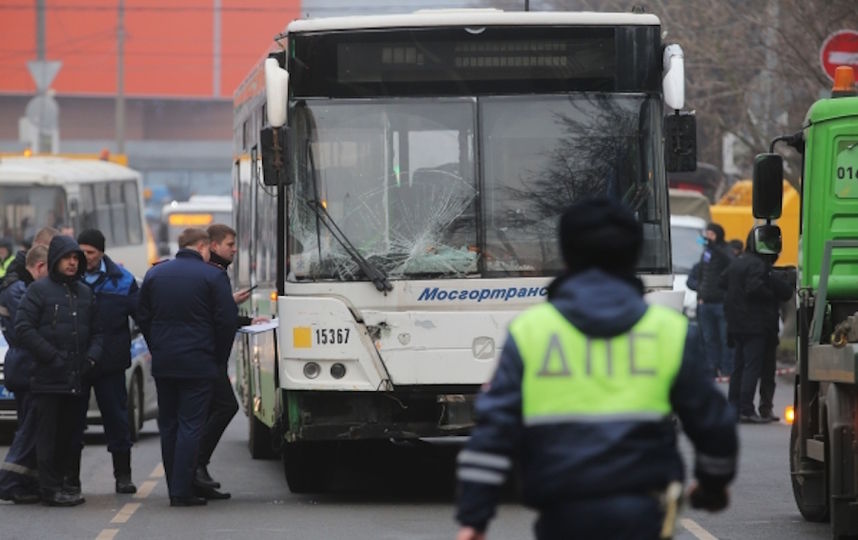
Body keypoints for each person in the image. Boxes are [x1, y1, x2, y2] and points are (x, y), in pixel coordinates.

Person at [455, 198, 738, 540]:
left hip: (563, 515)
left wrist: (474, 520)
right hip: (644, 515)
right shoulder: (669, 332)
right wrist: (711, 485)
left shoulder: (532, 332)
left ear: (566, 254)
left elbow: (492, 432)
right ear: (634, 256)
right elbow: (713, 423)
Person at [138, 228, 237, 507]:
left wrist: (156, 345)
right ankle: (183, 491)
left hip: (165, 362)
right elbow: (226, 321)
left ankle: (174, 487)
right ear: (204, 247)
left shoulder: (155, 274)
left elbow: (142, 314)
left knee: (168, 425)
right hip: (199, 362)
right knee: (190, 425)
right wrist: (218, 357)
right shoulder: (213, 276)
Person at [14, 235, 103, 506]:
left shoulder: (85, 293)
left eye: (76, 258)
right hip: (48, 379)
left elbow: (99, 333)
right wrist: (51, 356)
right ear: (55, 260)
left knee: (73, 436)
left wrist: (90, 359)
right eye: (68, 258)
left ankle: (70, 483)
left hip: (77, 378)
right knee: (48, 437)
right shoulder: (39, 291)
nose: (73, 263)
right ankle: (50, 489)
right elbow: (23, 328)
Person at [192, 224, 264, 499]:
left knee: (211, 411)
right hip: (210, 358)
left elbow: (215, 311)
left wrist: (235, 307)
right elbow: (216, 317)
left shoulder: (217, 273)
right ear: (212, 246)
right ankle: (196, 465)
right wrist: (242, 318)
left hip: (210, 357)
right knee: (225, 407)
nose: (234, 250)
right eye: (230, 244)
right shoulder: (214, 274)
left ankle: (198, 471)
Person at [67, 229, 139, 495]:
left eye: (91, 253)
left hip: (110, 364)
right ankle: (71, 479)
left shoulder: (122, 280)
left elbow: (142, 314)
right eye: (81, 252)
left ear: (101, 253)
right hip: (78, 364)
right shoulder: (68, 279)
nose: (85, 258)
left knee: (117, 421)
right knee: (73, 423)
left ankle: (123, 476)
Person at [720, 230, 793, 424]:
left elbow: (722, 281)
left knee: (739, 368)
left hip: (737, 325)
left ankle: (734, 408)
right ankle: (747, 409)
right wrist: (771, 291)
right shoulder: (759, 266)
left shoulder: (738, 263)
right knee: (754, 367)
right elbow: (756, 288)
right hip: (756, 325)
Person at [0, 245, 49, 504]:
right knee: (29, 430)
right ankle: (9, 481)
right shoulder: (19, 290)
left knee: (29, 428)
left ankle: (25, 482)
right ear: (40, 267)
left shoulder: (17, 285)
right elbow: (29, 330)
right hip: (25, 366)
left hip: (21, 364)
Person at [692, 223, 734, 377]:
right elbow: (702, 275)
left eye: (711, 234)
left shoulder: (725, 250)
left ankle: (726, 368)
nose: (708, 237)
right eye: (707, 234)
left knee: (724, 338)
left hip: (720, 303)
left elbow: (730, 261)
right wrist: (700, 296)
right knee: (709, 339)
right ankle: (712, 369)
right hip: (706, 303)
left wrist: (715, 247)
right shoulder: (706, 253)